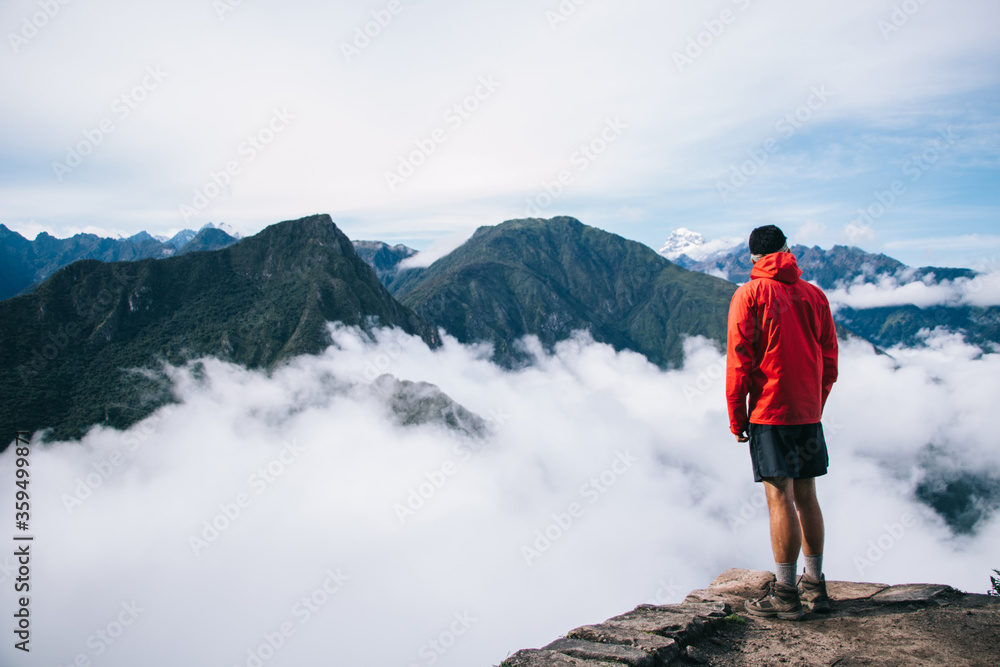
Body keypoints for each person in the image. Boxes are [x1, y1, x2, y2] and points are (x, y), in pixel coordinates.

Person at [726, 225, 839, 620]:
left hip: (770, 412)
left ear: (753, 258)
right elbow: (829, 361)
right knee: (807, 495)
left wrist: (737, 417)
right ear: (788, 251)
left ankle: (786, 594)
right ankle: (816, 586)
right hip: (808, 411)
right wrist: (816, 402)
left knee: (779, 499)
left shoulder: (749, 295)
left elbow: (739, 362)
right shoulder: (815, 295)